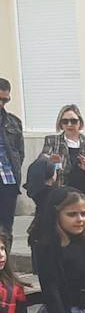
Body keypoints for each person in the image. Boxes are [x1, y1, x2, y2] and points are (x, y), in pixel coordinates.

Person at [29, 105, 85, 205]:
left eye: (73, 121)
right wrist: (52, 163)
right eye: (65, 121)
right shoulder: (52, 141)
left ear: (80, 123)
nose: (69, 124)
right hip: (62, 193)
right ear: (60, 124)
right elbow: (42, 165)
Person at [0, 78, 24, 234]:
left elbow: (20, 153)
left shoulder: (14, 122)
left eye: (5, 100)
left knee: (5, 230)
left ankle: (4, 258)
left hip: (8, 181)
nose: (1, 104)